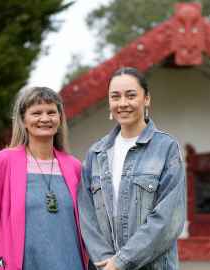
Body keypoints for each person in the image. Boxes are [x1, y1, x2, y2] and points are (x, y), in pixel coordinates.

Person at [78, 67, 186, 270]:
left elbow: (168, 220)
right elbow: (86, 215)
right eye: (115, 97)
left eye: (131, 95)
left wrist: (120, 263)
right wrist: (105, 262)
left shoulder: (166, 148)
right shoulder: (96, 153)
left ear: (147, 99)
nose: (123, 103)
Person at [0, 86, 87, 270]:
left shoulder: (75, 167)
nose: (45, 118)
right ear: (23, 120)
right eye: (36, 113)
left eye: (51, 112)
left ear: (59, 118)